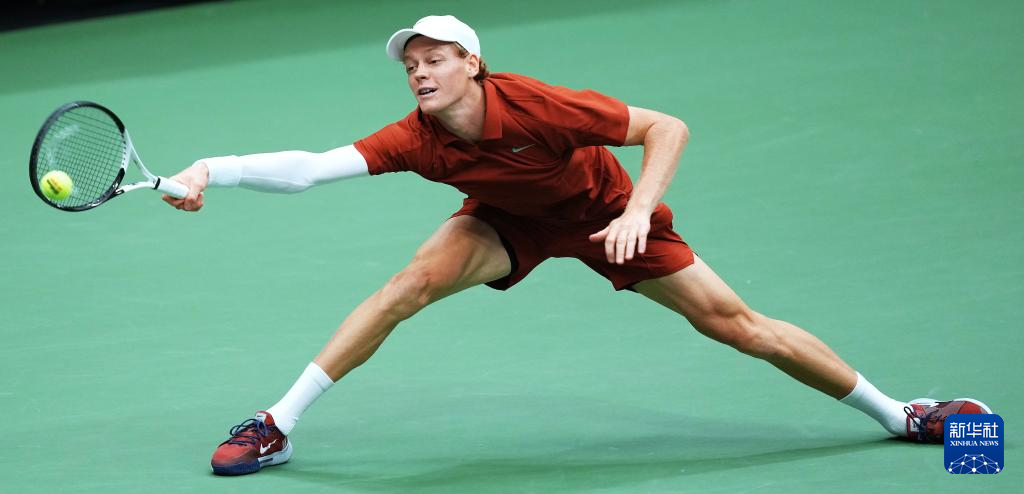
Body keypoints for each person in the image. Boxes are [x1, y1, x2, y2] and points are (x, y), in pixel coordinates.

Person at [163, 15, 992, 476]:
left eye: (435, 59)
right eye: (410, 64)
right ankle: (276, 424)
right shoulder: (417, 136)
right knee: (406, 287)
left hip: (606, 215)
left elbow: (667, 126)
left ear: (473, 64)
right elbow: (311, 168)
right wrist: (211, 169)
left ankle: (902, 414)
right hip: (508, 221)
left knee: (737, 326)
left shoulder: (538, 105)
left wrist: (638, 212)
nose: (419, 73)